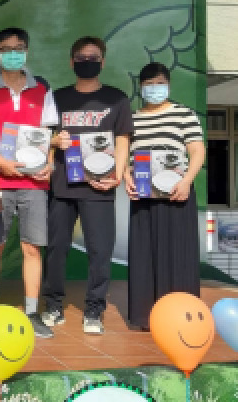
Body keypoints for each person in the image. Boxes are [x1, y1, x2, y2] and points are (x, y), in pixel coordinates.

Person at [41, 36, 132, 335]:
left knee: (99, 251)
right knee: (56, 249)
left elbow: (122, 140)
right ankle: (53, 305)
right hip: (62, 186)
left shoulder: (117, 99)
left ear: (102, 62)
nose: (87, 62)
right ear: (72, 62)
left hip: (99, 187)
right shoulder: (57, 98)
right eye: (81, 57)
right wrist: (54, 142)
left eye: (93, 57)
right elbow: (42, 137)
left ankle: (94, 310)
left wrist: (117, 174)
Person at [0, 27, 58, 338]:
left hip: (34, 184)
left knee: (32, 248)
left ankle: (32, 312)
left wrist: (49, 163)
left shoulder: (42, 90)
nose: (13, 54)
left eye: (19, 48)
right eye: (6, 49)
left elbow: (48, 134)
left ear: (27, 52)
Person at [123, 62, 204, 330]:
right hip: (143, 196)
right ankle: (145, 316)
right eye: (148, 84)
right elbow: (124, 154)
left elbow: (197, 150)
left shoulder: (184, 114)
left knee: (178, 255)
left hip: (177, 194)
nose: (154, 88)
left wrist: (187, 181)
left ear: (168, 85)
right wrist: (126, 176)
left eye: (159, 83)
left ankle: (182, 315)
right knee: (144, 256)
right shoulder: (132, 118)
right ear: (141, 87)